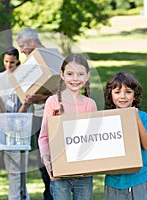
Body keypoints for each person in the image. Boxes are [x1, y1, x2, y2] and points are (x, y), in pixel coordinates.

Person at [38, 54, 97, 199]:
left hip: (84, 172)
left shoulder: (90, 104)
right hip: (59, 170)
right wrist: (46, 160)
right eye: (70, 74)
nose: (75, 79)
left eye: (80, 74)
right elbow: (44, 136)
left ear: (87, 76)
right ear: (62, 75)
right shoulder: (53, 102)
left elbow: (94, 138)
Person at [103, 72, 147, 200]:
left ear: (135, 96)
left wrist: (136, 119)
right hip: (113, 180)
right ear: (110, 95)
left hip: (138, 179)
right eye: (117, 92)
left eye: (128, 92)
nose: (123, 96)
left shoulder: (143, 117)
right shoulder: (105, 119)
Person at [15, 27, 53, 200]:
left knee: (55, 160)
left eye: (22, 46)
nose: (21, 50)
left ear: (32, 42)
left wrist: (43, 96)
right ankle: (49, 195)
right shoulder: (30, 64)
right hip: (38, 117)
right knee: (42, 161)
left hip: (55, 116)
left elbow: (66, 88)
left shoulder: (52, 57)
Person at [0, 47, 31, 199]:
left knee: (21, 164)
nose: (8, 65)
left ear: (18, 61)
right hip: (6, 124)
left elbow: (26, 102)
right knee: (12, 165)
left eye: (12, 62)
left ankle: (19, 196)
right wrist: (3, 119)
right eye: (6, 61)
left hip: (21, 123)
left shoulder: (24, 77)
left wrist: (15, 119)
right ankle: (19, 195)